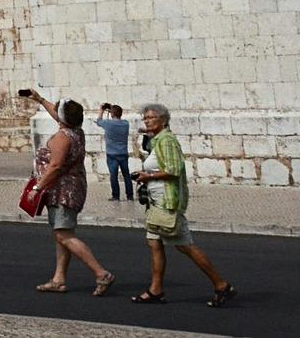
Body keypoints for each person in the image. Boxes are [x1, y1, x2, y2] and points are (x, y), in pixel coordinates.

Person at [129, 103, 235, 307]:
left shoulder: (167, 140)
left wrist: (147, 176)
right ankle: (156, 289)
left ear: (164, 120)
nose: (147, 121)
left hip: (167, 201)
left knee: (184, 244)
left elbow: (174, 169)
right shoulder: (157, 139)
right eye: (145, 118)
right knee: (154, 243)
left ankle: (221, 285)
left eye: (151, 117)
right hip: (156, 201)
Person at [23, 88, 114, 295]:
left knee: (64, 235)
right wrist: (39, 99)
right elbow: (59, 116)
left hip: (63, 191)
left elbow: (55, 166)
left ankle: (101, 273)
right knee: (62, 234)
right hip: (72, 188)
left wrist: (37, 188)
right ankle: (59, 279)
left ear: (62, 118)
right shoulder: (75, 131)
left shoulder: (62, 138)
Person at [95, 104, 133, 202]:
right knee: (126, 175)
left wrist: (102, 110)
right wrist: (112, 110)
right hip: (123, 153)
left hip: (112, 154)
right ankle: (130, 196)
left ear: (112, 114)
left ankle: (116, 196)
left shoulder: (108, 123)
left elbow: (98, 121)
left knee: (114, 175)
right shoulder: (126, 123)